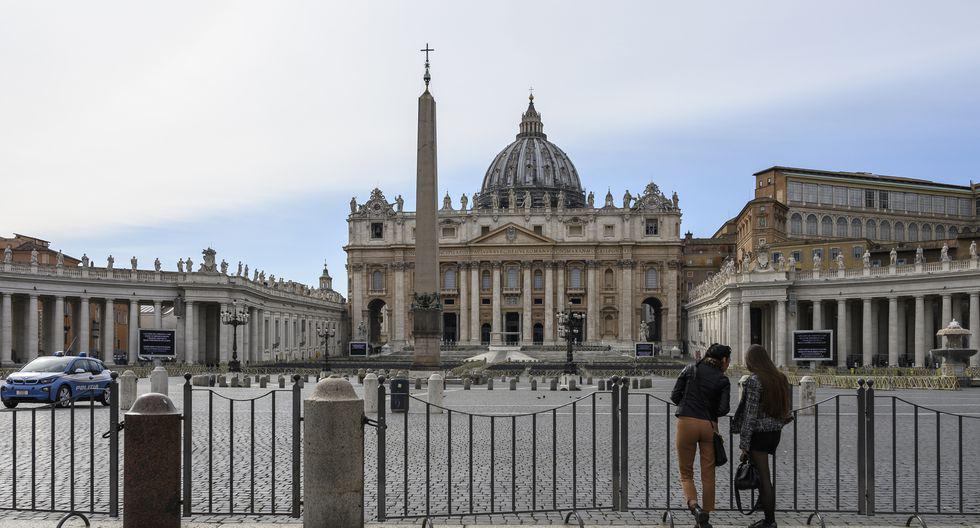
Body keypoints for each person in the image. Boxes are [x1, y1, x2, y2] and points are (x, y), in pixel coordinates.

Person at [671, 343, 732, 528]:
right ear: (723, 360)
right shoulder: (723, 380)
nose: (728, 364)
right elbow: (723, 409)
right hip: (709, 426)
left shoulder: (690, 369)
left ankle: (694, 507)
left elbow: (674, 396)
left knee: (686, 472)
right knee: (708, 473)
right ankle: (705, 514)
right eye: (728, 360)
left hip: (686, 422)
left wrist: (690, 403)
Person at [735, 344, 792, 528]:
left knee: (764, 477)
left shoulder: (754, 380)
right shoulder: (780, 378)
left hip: (759, 434)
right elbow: (787, 411)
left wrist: (744, 444)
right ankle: (764, 508)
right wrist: (776, 424)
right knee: (762, 474)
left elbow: (750, 415)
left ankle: (769, 521)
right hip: (774, 433)